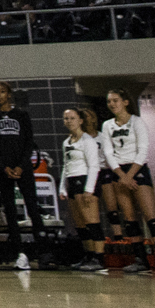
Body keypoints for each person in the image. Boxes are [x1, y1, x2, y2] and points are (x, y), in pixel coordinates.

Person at [99, 89, 155, 275]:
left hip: (137, 169)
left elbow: (143, 150)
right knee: (129, 218)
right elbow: (108, 153)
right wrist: (121, 175)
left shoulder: (137, 122)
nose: (112, 104)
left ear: (126, 102)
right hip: (119, 172)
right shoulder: (107, 125)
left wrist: (130, 175)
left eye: (115, 100)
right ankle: (140, 260)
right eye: (109, 101)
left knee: (151, 215)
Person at [0, 83, 42, 269]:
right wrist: (4, 167)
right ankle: (20, 252)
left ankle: (43, 251)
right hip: (3, 171)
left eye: (2, 91)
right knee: (10, 210)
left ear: (9, 94)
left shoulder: (22, 116)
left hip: (22, 168)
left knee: (32, 207)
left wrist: (21, 166)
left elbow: (28, 142)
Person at [56, 106, 108, 273]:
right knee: (80, 224)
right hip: (72, 182)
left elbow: (94, 166)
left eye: (72, 118)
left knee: (92, 221)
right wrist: (62, 188)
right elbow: (66, 165)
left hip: (84, 180)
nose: (69, 121)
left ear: (80, 120)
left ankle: (99, 258)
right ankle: (89, 255)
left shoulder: (88, 141)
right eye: (66, 118)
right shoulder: (66, 142)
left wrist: (89, 190)